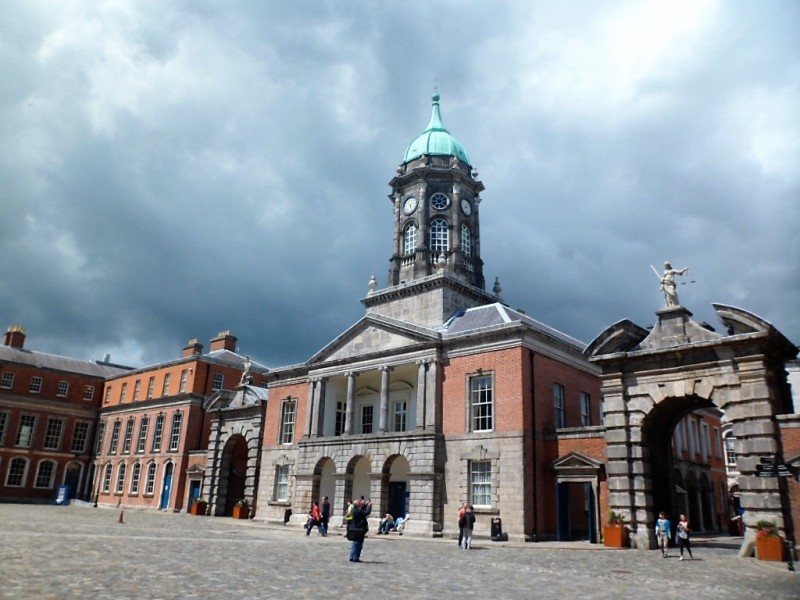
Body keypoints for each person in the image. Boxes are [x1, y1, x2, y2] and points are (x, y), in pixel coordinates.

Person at [346, 498, 372, 562]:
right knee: (358, 543)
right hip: (359, 529)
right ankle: (355, 557)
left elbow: (361, 510)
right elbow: (366, 512)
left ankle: (352, 556)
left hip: (354, 529)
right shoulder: (357, 511)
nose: (361, 504)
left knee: (355, 543)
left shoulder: (354, 509)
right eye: (360, 503)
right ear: (357, 505)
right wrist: (369, 506)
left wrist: (365, 505)